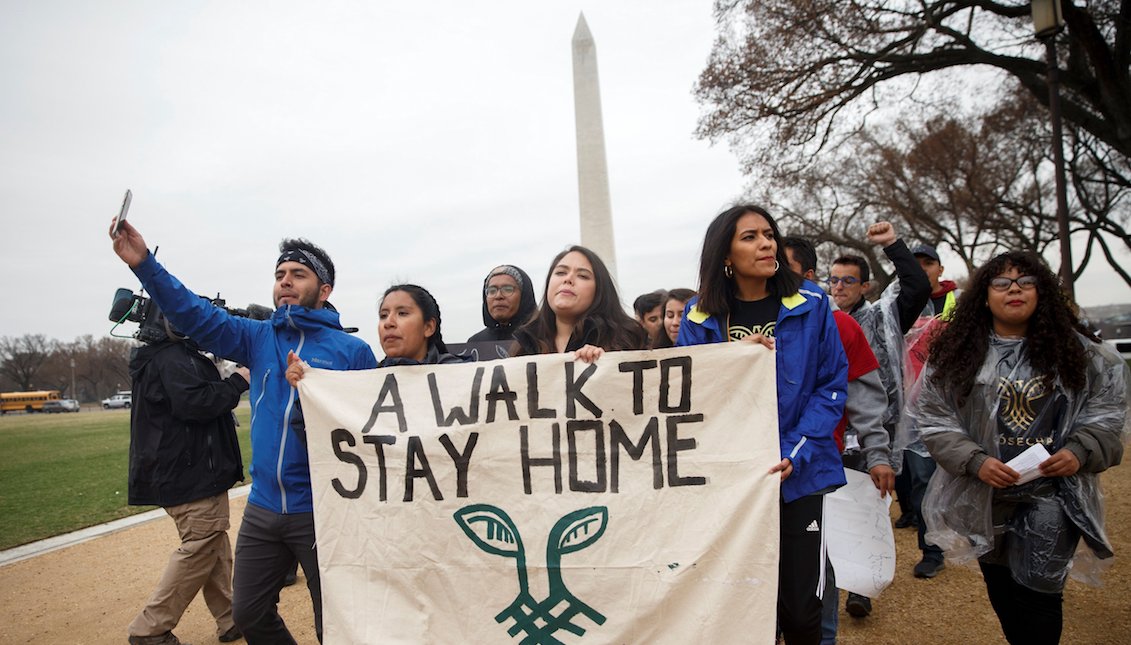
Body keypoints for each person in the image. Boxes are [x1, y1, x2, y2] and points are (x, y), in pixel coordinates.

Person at [111, 221, 378, 644]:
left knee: (338, 622)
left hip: (324, 510)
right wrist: (145, 265)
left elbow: (371, 433)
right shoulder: (257, 337)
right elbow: (193, 315)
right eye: (279, 275)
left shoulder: (354, 352)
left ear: (324, 290)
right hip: (264, 506)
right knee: (248, 614)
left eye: (298, 275)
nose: (285, 282)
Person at [911, 250, 1128, 645]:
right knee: (1002, 589)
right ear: (985, 294)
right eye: (1002, 283)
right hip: (985, 492)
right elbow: (934, 418)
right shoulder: (959, 354)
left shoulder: (1081, 354)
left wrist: (1080, 450)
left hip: (1053, 493)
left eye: (1026, 282)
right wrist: (974, 460)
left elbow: (1107, 414)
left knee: (1040, 593)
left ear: (1042, 291)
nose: (1015, 290)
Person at [677, 205, 848, 645]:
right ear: (726, 254)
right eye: (750, 236)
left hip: (800, 472)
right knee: (741, 603)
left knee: (800, 609)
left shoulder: (812, 303)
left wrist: (793, 450)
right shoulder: (698, 315)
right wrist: (735, 360)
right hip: (732, 481)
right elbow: (691, 393)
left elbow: (830, 385)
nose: (767, 243)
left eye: (768, 234)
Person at [782, 236, 892, 632]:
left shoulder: (839, 325)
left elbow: (864, 398)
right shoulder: (731, 323)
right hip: (752, 477)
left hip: (816, 470)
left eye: (783, 265)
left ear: (807, 276)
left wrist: (878, 455)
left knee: (817, 573)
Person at [126, 304, 248, 645]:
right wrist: (240, 380)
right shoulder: (174, 359)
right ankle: (149, 628)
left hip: (185, 470)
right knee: (201, 545)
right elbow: (197, 404)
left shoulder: (168, 356)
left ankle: (231, 618)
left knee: (213, 544)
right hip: (190, 472)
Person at [828, 223, 936, 577]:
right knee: (834, 505)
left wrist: (892, 245)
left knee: (870, 504)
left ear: (865, 286)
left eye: (848, 281)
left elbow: (918, 286)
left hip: (877, 425)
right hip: (832, 426)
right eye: (834, 280)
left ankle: (863, 584)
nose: (839, 287)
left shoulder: (882, 317)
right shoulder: (823, 321)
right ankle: (836, 571)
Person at [287, 284, 466, 388]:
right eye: (383, 315)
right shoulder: (365, 384)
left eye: (402, 313)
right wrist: (307, 390)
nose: (389, 322)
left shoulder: (461, 376)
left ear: (428, 327)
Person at [513, 245, 647, 360]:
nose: (568, 279)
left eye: (582, 276)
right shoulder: (524, 344)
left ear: (600, 290)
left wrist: (607, 364)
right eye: (560, 273)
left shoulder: (628, 341)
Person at [466, 265, 538, 343]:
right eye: (492, 291)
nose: (498, 296)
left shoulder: (544, 337)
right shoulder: (476, 343)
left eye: (507, 289)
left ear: (524, 295)